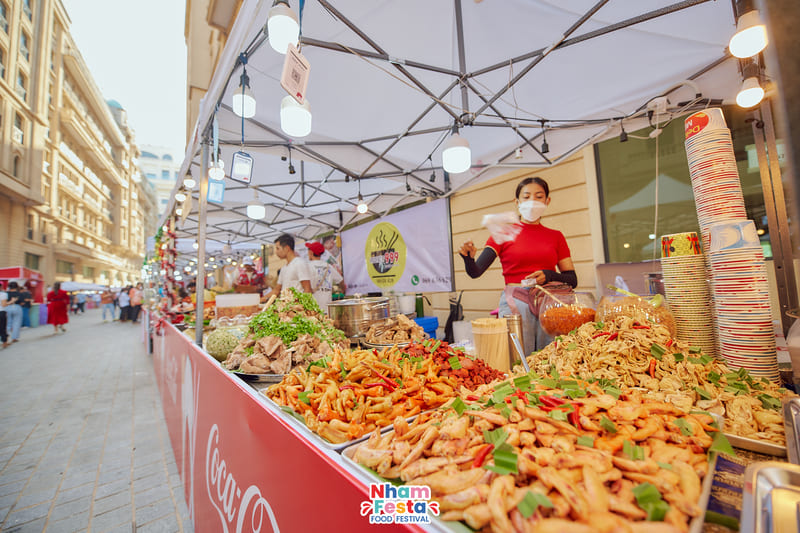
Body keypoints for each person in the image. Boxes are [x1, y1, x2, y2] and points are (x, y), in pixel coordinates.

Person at [459, 176, 577, 355]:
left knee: (552, 357)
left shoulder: (556, 236)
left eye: (539, 196)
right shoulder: (505, 232)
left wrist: (549, 275)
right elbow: (475, 272)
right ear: (517, 202)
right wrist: (468, 259)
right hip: (516, 302)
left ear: (547, 201)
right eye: (526, 196)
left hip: (550, 303)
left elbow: (572, 279)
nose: (532, 201)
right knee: (518, 359)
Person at [305, 241, 345, 311]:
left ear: (311, 252)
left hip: (313, 308)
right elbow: (341, 281)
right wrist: (343, 291)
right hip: (327, 308)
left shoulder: (307, 266)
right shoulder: (328, 266)